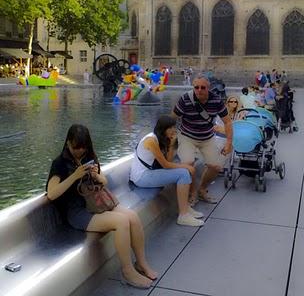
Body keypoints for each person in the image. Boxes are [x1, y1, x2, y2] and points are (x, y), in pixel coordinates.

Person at [46, 124, 156, 289]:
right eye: (76, 147)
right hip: (77, 212)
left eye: (83, 147)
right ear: (68, 142)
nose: (80, 151)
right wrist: (74, 176)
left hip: (97, 202)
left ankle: (141, 263)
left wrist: (95, 175)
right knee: (121, 222)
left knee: (132, 216)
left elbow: (103, 181)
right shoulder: (59, 163)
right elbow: (52, 194)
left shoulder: (88, 156)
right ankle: (127, 272)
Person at [130, 115, 204, 227]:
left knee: (183, 172)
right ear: (162, 128)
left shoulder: (160, 139)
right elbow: (166, 165)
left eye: (174, 127)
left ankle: (185, 208)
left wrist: (172, 142)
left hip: (149, 173)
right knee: (183, 173)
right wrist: (186, 167)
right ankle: (183, 216)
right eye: (170, 128)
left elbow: (168, 160)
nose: (174, 130)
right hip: (142, 177)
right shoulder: (151, 140)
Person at [172, 74, 233, 204]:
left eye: (203, 87)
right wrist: (168, 138)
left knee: (216, 166)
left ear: (208, 88)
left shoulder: (216, 100)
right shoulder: (185, 99)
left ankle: (202, 189)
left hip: (207, 137)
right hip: (187, 136)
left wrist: (228, 143)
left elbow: (227, 122)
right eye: (196, 87)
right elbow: (172, 118)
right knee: (188, 163)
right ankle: (193, 192)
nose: (199, 90)